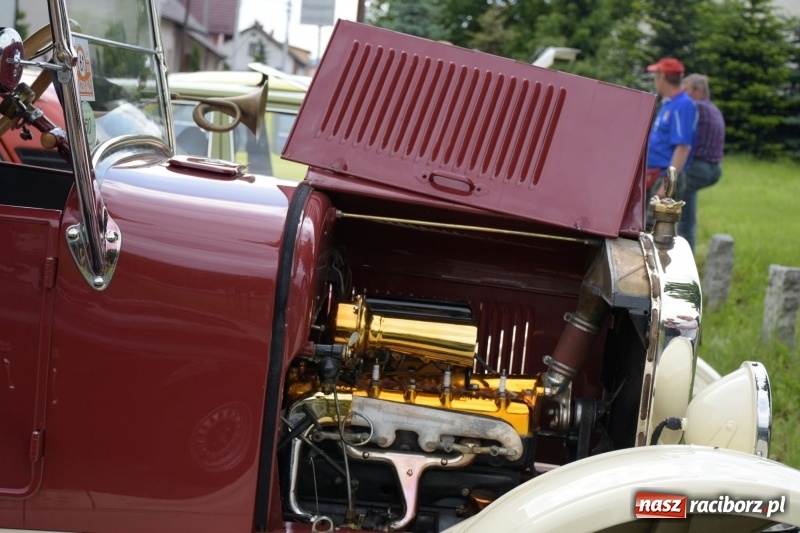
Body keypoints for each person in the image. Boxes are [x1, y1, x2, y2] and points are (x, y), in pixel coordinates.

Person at [645, 57, 697, 226]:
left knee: (656, 231)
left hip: (664, 178)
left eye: (655, 76)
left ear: (662, 77)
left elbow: (682, 147)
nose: (654, 81)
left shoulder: (683, 105)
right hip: (655, 175)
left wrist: (667, 186)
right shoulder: (670, 103)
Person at [678, 74, 725, 252]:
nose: (683, 93)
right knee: (685, 214)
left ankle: (684, 260)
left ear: (698, 90)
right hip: (713, 168)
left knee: (682, 219)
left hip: (699, 167)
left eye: (687, 89)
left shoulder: (696, 107)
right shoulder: (712, 108)